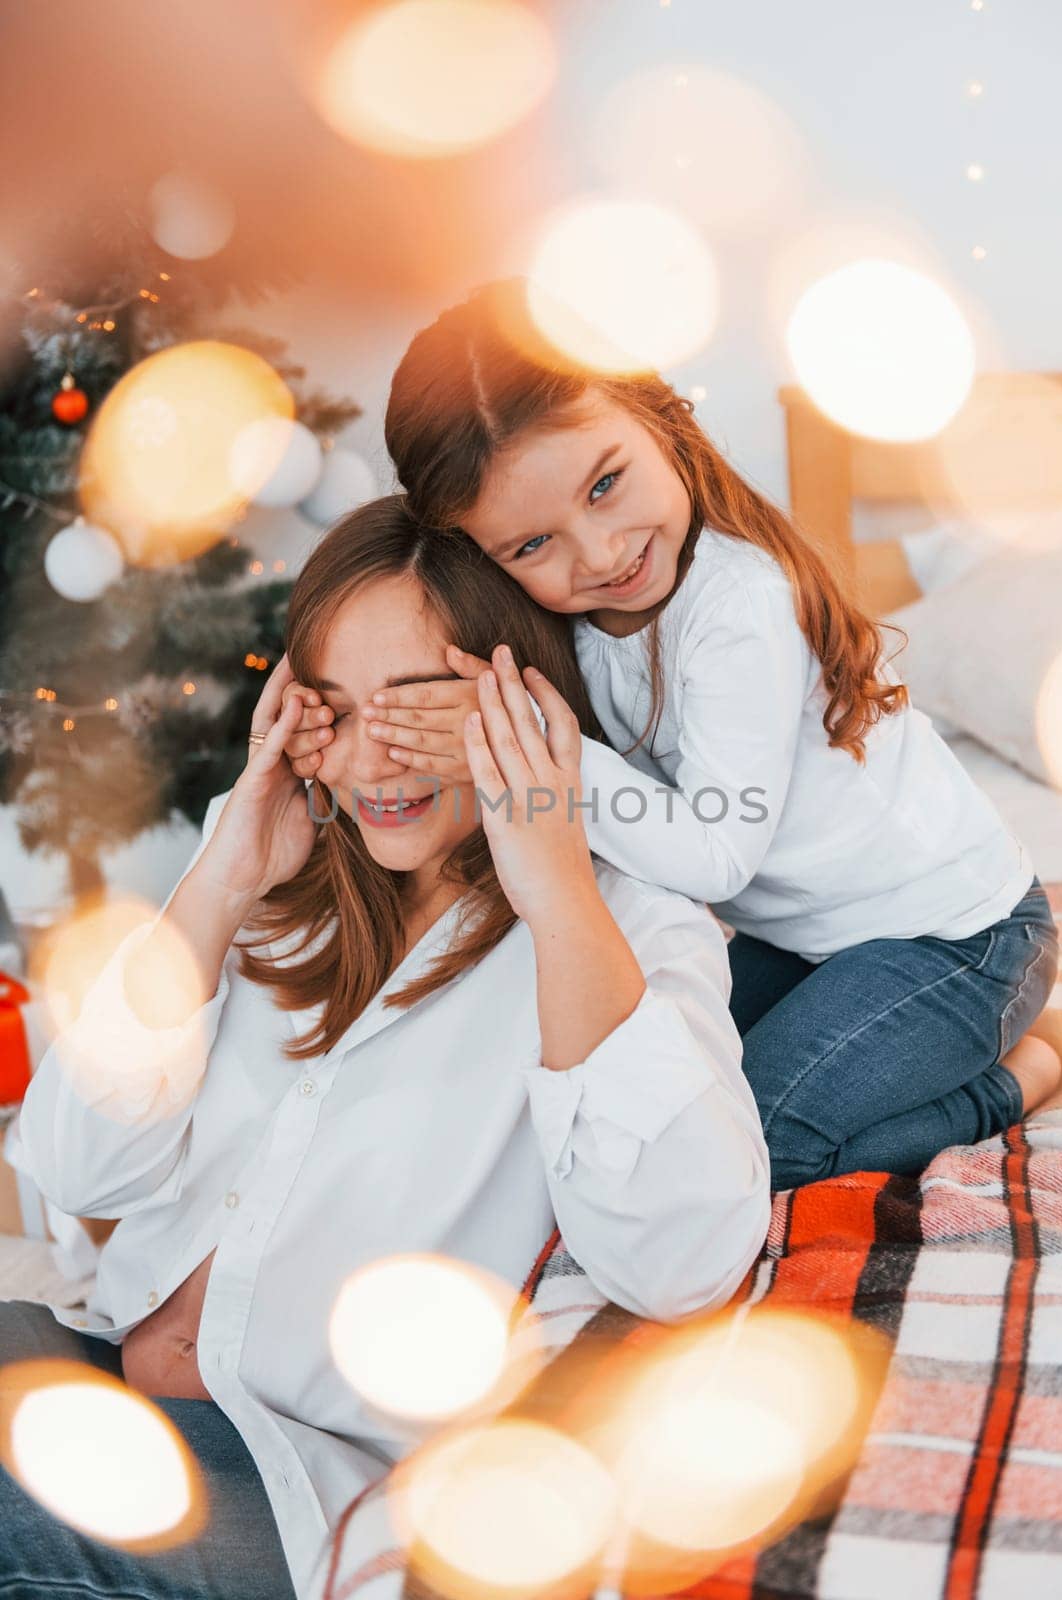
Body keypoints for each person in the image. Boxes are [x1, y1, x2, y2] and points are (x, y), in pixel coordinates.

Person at [2, 495, 771, 1600]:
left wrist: (552, 881)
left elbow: (686, 1258)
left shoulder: (627, 923)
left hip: (298, 1481)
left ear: (524, 699)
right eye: (336, 709)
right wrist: (219, 883)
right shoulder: (272, 861)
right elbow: (77, 1165)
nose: (374, 759)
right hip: (100, 1363)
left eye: (420, 710)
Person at [282, 278, 1062, 1188]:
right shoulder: (564, 619)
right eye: (531, 545)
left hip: (959, 937)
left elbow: (714, 861)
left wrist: (545, 751)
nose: (600, 553)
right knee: (663, 1109)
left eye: (605, 484)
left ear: (663, 419)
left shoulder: (737, 609)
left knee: (749, 1150)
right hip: (808, 940)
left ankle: (1020, 1076)